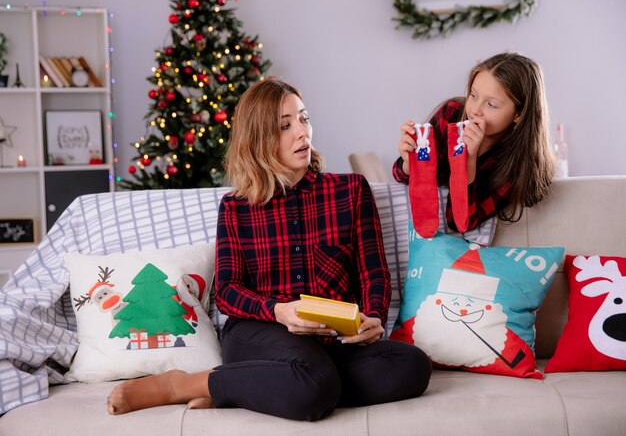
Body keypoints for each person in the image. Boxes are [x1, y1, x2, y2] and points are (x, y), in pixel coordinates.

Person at [107, 78, 432, 421]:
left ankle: (256, 388)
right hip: (260, 332)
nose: (302, 133)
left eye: (304, 119)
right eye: (285, 126)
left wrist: (373, 317)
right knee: (314, 385)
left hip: (333, 337)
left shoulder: (350, 190)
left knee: (411, 365)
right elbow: (228, 293)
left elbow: (373, 272)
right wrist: (280, 311)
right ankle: (183, 385)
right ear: (258, 138)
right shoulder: (236, 207)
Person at [394, 52, 555, 230]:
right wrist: (410, 164)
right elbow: (400, 174)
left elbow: (458, 222)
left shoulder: (519, 165)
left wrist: (468, 161)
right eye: (473, 95)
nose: (475, 110)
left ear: (519, 114)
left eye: (491, 104)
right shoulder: (451, 114)